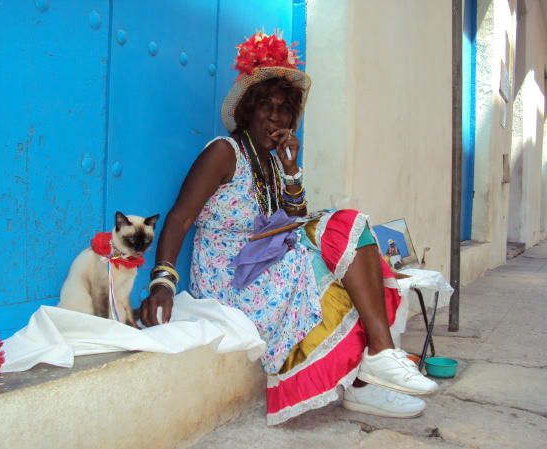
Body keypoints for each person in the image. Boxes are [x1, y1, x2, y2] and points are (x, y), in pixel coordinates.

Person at [139, 31, 437, 425]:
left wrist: (292, 168)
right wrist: (162, 282)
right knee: (342, 235)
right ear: (248, 109)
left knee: (349, 260)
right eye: (266, 106)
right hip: (230, 276)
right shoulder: (223, 153)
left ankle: (369, 378)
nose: (276, 117)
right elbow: (179, 218)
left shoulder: (274, 161)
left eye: (284, 109)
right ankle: (375, 366)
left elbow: (294, 215)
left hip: (266, 262)